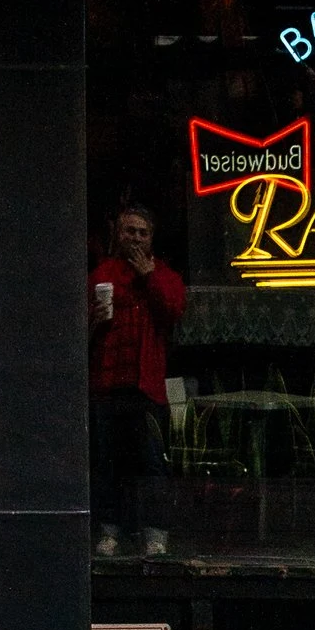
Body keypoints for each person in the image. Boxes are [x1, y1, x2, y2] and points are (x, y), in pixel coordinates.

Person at [89, 203, 185, 557]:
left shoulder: (165, 276)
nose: (135, 238)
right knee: (107, 463)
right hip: (107, 383)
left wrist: (149, 276)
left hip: (146, 387)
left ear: (152, 239)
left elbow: (173, 310)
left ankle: (155, 533)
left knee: (151, 462)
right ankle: (110, 531)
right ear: (118, 234)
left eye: (143, 233)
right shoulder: (101, 274)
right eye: (130, 231)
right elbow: (79, 329)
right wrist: (93, 320)